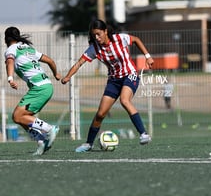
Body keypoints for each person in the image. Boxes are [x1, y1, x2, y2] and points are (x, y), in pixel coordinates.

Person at [61, 19, 154, 152]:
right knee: (100, 114)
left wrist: (147, 56)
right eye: (94, 35)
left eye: (99, 34)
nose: (97, 38)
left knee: (124, 100)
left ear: (105, 31)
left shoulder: (119, 39)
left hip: (130, 74)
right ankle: (88, 144)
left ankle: (144, 134)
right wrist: (68, 76)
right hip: (114, 80)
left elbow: (136, 40)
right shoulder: (94, 48)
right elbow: (79, 63)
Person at [4, 26, 61, 155]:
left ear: (6, 39)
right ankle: (41, 142)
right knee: (22, 118)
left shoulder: (11, 50)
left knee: (17, 116)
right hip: (46, 86)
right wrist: (56, 74)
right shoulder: (29, 49)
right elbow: (50, 61)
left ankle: (49, 129)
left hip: (39, 88)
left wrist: (10, 78)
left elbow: (10, 62)